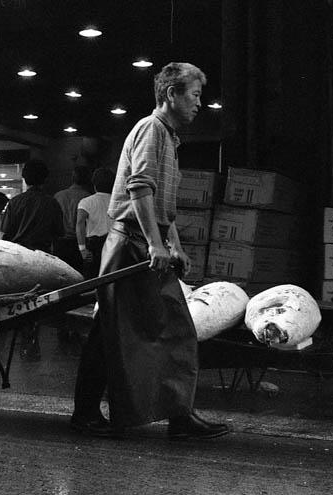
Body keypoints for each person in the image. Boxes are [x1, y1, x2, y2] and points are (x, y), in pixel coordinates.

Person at [71, 62, 230, 439]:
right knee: (122, 332)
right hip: (131, 243)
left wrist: (174, 243)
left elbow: (161, 204)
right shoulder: (151, 130)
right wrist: (157, 245)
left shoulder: (170, 138)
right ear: (171, 94)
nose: (198, 104)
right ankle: (94, 413)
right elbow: (139, 189)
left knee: (145, 330)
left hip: (143, 241)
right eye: (193, 95)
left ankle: (176, 415)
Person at [0, 159, 64, 361]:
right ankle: (32, 337)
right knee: (37, 300)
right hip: (42, 259)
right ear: (45, 179)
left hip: (17, 258)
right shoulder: (52, 203)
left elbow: (2, 235)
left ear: (24, 178)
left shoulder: (14, 202)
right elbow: (58, 233)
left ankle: (23, 334)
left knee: (19, 299)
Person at [76, 167, 114, 279]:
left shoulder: (86, 202)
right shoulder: (119, 201)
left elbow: (80, 223)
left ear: (94, 185)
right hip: (115, 243)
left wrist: (82, 249)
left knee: (92, 279)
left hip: (94, 246)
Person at [53, 166, 93, 272]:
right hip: (80, 244)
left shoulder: (58, 196)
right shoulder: (88, 198)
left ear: (72, 178)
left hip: (60, 244)